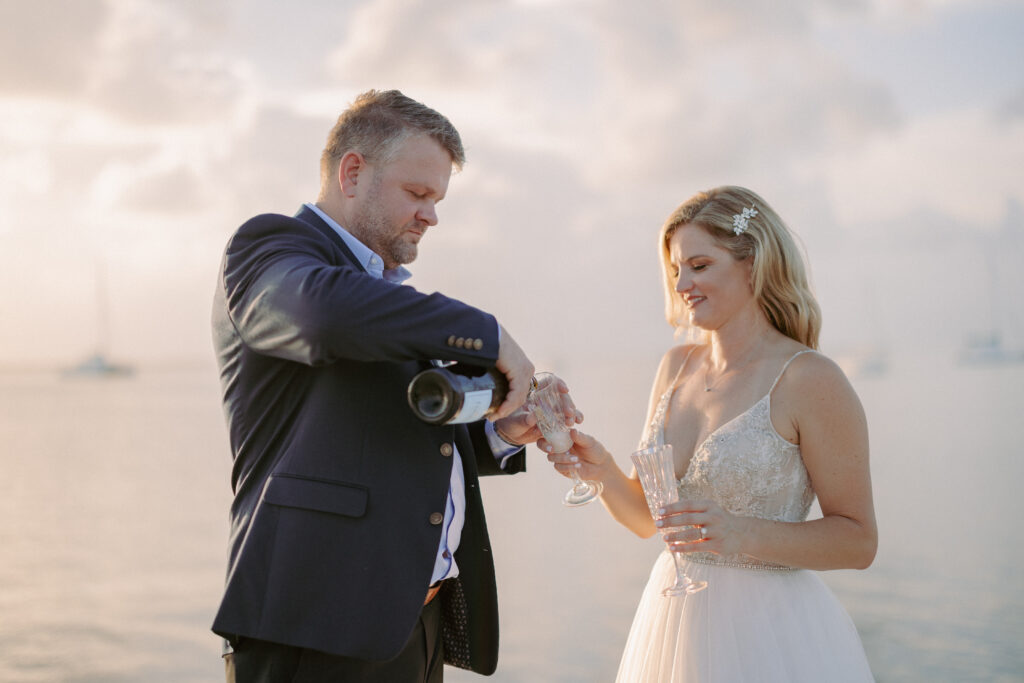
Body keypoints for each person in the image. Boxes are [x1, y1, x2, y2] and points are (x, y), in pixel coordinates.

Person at [211, 89, 551, 682]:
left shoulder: (386, 296)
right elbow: (322, 317)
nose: (431, 216)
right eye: (417, 194)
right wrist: (489, 334)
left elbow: (390, 431)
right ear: (352, 173)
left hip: (409, 626)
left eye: (438, 199)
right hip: (314, 629)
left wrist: (499, 431)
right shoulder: (270, 250)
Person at [546, 186, 878, 681]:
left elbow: (858, 542)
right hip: (674, 621)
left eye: (699, 266)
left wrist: (742, 533)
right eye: (676, 270)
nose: (682, 284)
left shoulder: (810, 379)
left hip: (771, 632)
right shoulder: (674, 367)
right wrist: (604, 471)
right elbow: (646, 519)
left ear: (753, 264)